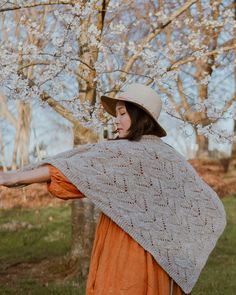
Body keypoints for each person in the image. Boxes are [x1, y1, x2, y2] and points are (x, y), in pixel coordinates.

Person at [0, 83, 226, 295]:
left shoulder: (123, 153)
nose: (115, 121)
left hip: (127, 255)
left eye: (122, 114)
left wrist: (17, 176)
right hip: (160, 261)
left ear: (140, 117)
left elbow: (69, 170)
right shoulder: (171, 157)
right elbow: (212, 208)